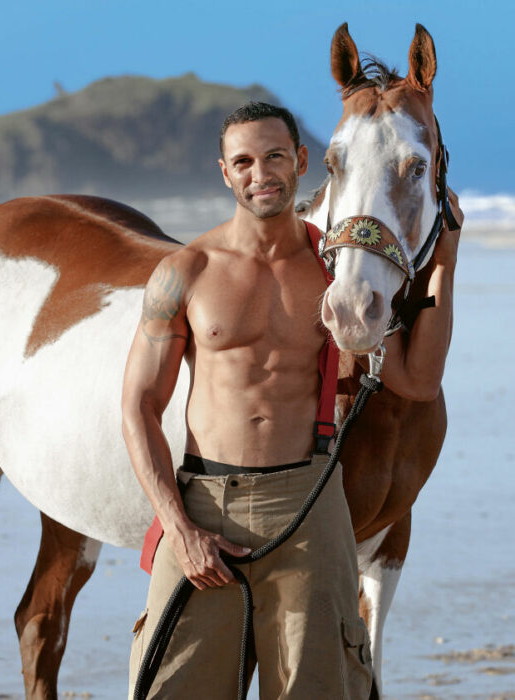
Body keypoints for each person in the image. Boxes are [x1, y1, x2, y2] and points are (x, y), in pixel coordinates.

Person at [122, 101, 461, 699]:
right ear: (224, 173)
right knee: (170, 684)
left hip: (309, 501)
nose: (262, 174)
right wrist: (179, 528)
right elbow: (139, 407)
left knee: (323, 687)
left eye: (275, 157)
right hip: (207, 502)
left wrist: (446, 261)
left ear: (304, 162)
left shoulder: (342, 276)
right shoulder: (185, 271)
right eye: (244, 162)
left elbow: (417, 382)